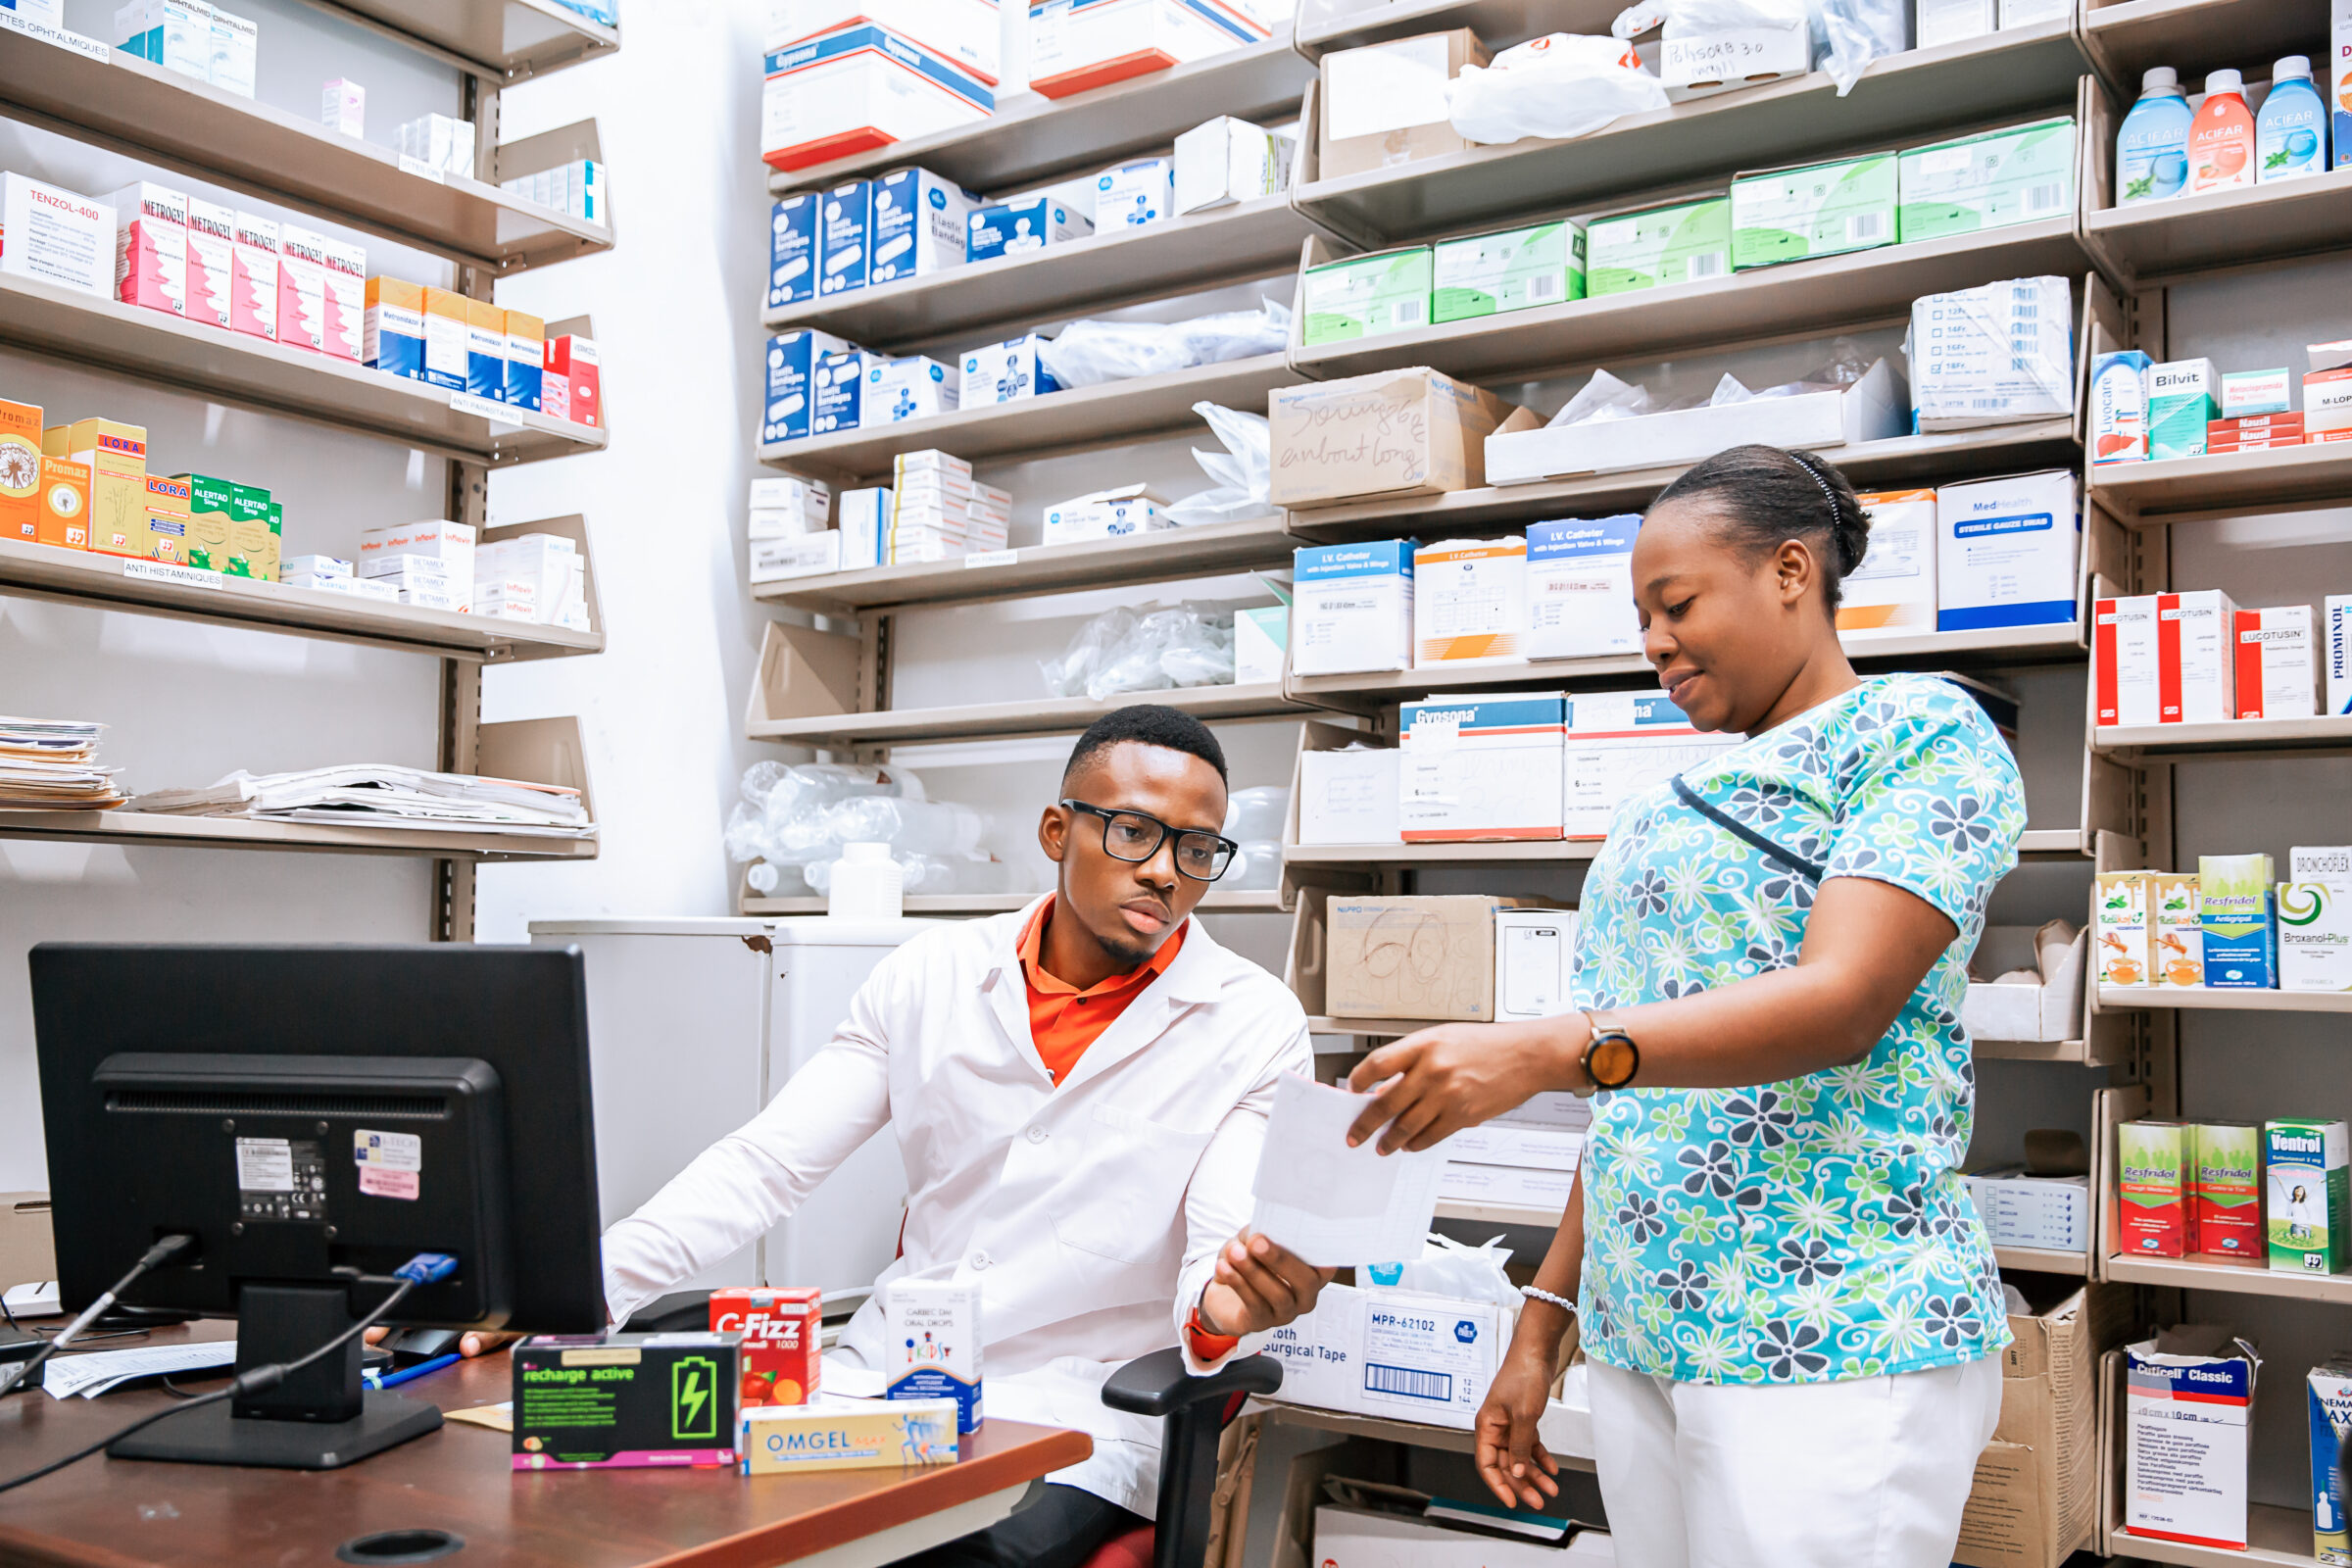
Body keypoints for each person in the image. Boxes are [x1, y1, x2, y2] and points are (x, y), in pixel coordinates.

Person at [1344, 445, 2028, 1568]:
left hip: (1832, 1324)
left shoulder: (1922, 734)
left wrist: (1547, 1051)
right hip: (1646, 1326)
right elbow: (1631, 1086)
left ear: (1792, 572)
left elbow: (1843, 1000)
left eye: (1678, 603)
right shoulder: (1666, 801)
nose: (1654, 640)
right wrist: (1544, 1320)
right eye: (1641, 615)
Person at [576, 705, 1329, 1566]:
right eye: (1132, 832)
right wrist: (584, 1290)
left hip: (1077, 1415)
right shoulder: (928, 974)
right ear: (1057, 829)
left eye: (1197, 850)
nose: (1164, 872)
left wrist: (1222, 1311)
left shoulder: (1252, 1021)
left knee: (942, 1557)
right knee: (670, 1524)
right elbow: (766, 1166)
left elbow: (1216, 1255)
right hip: (889, 1378)